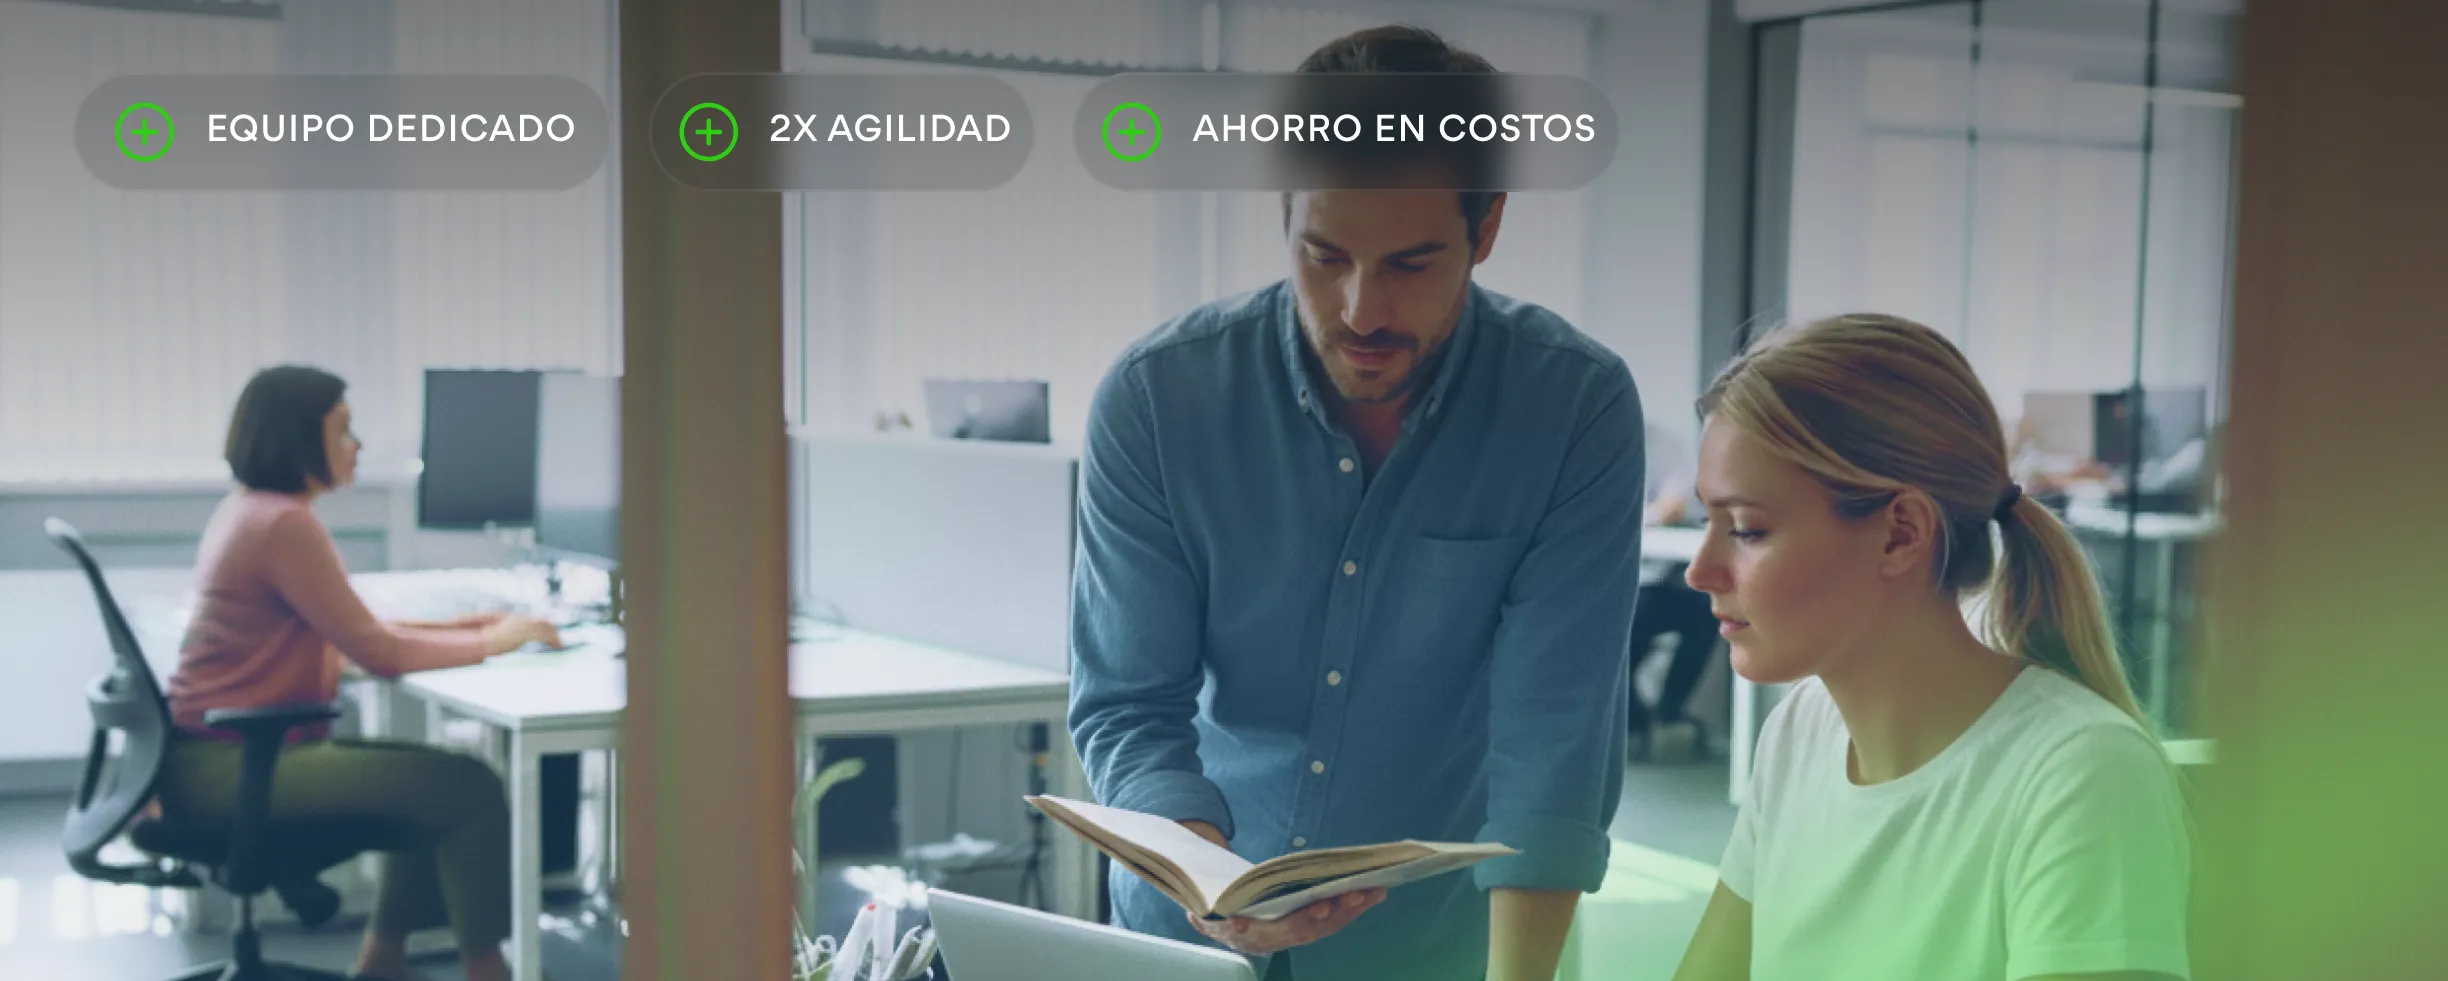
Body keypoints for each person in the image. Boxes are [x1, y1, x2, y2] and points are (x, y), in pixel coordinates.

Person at [1067, 25, 1643, 981]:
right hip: (1182, 932)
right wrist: (1208, 882)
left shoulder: (1573, 406)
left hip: (1438, 949)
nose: (1362, 310)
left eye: (1411, 264)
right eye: (1324, 255)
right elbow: (1130, 701)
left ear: (1487, 227)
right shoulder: (1159, 398)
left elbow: (1557, 735)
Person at [1668, 315, 2192, 981]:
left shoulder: (2082, 773)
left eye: (1746, 528)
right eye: (1708, 521)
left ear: (1901, 534)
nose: (1699, 569)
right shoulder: (1799, 731)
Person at [160, 364, 561, 981]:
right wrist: (494, 641)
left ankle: (383, 961)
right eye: (343, 429)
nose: (359, 445)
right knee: (463, 787)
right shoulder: (284, 525)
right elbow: (382, 654)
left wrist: (471, 626)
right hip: (233, 765)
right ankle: (485, 970)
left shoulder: (252, 511)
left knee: (425, 782)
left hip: (214, 755)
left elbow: (358, 630)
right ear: (299, 437)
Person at [1627, 423, 1721, 760]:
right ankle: (1632, 718)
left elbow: (1673, 505)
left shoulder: (1661, 443)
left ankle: (1670, 710)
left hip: (1656, 581)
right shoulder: (1574, 446)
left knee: (1704, 611)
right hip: (1608, 589)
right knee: (1615, 630)